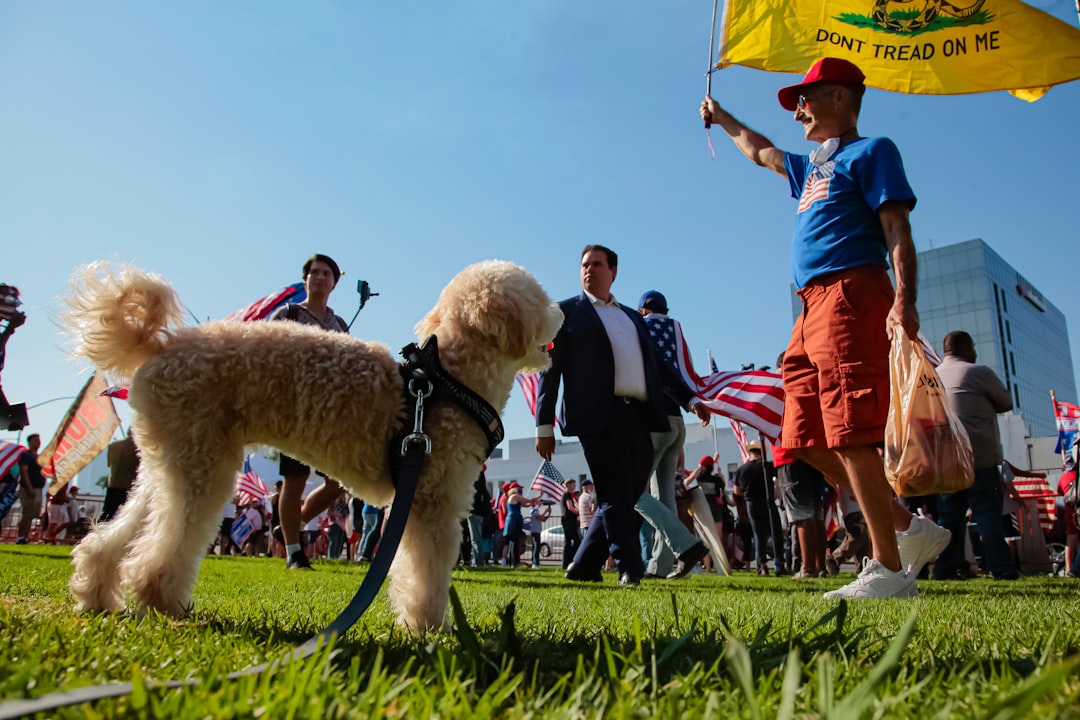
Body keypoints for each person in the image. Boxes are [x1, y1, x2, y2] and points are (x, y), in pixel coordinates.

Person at [701, 57, 949, 599]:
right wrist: (722, 118)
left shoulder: (872, 151)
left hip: (852, 291)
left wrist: (905, 298)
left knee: (849, 428)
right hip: (810, 306)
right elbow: (761, 150)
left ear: (842, 97)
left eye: (806, 100)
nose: (799, 113)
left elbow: (897, 227)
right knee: (802, 435)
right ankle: (910, 529)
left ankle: (887, 570)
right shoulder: (813, 167)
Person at [536, 245, 709, 587]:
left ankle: (584, 565)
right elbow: (548, 370)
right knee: (615, 492)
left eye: (597, 264)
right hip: (595, 416)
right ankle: (631, 567)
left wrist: (689, 399)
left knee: (626, 494)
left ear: (613, 271)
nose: (589, 270)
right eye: (585, 264)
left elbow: (658, 365)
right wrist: (544, 425)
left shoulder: (633, 317)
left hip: (640, 416)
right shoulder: (564, 313)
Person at [268, 253, 351, 570]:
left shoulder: (340, 324)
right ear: (306, 279)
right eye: (314, 272)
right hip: (295, 409)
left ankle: (294, 519)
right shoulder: (288, 314)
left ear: (333, 282)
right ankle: (293, 552)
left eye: (326, 273)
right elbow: (268, 355)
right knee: (296, 478)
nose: (320, 277)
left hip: (330, 414)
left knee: (338, 481)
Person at [634, 290, 710, 579]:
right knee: (663, 495)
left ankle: (685, 544)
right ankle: (660, 566)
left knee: (632, 491)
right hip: (678, 419)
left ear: (642, 310)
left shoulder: (641, 328)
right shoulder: (676, 330)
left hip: (652, 420)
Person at [933, 330, 1018, 580]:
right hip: (978, 457)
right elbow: (1006, 403)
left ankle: (945, 568)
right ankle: (1001, 567)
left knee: (949, 519)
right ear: (966, 347)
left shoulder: (933, 375)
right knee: (987, 514)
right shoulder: (977, 371)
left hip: (946, 461)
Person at [733, 443, 785, 575]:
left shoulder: (741, 470)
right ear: (761, 453)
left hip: (751, 504)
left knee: (758, 536)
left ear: (749, 453)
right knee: (776, 533)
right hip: (767, 503)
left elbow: (737, 491)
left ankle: (761, 565)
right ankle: (779, 564)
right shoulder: (768, 466)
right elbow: (778, 483)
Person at [100, 430, 139, 522]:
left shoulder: (113, 445)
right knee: (130, 516)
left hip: (113, 483)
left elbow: (109, 464)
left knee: (106, 514)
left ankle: (99, 534)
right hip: (130, 486)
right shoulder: (138, 448)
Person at [15, 433, 45, 544]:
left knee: (33, 514)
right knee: (27, 514)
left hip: (39, 489)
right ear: (30, 442)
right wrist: (29, 488)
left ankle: (25, 537)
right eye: (35, 440)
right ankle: (20, 537)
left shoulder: (39, 457)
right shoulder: (26, 455)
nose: (38, 442)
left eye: (39, 440)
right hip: (28, 489)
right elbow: (24, 472)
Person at [467, 467, 493, 567]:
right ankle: (477, 561)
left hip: (473, 511)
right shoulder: (482, 486)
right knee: (477, 538)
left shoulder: (473, 482)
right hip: (480, 512)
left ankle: (478, 562)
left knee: (475, 539)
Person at [502, 484, 531, 568]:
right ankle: (515, 562)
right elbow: (527, 500)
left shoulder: (515, 498)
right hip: (514, 520)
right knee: (514, 542)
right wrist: (534, 500)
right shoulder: (515, 496)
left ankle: (513, 562)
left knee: (513, 542)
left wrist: (537, 499)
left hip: (515, 520)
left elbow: (526, 504)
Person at [559, 477, 581, 570]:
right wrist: (579, 513)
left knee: (568, 542)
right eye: (573, 484)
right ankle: (571, 560)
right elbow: (570, 507)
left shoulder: (569, 494)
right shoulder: (567, 494)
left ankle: (566, 563)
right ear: (568, 485)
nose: (574, 486)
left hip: (568, 520)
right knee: (576, 540)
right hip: (568, 520)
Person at [528, 499, 551, 568]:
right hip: (535, 531)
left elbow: (543, 519)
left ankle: (534, 561)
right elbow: (540, 517)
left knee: (536, 546)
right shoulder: (533, 511)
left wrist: (549, 513)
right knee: (536, 547)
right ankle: (535, 562)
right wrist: (545, 512)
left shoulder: (536, 511)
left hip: (537, 531)